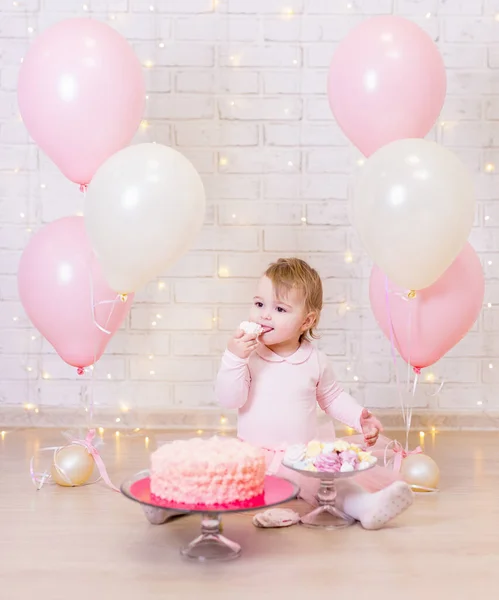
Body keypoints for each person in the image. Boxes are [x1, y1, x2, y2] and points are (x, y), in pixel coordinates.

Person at [215, 257, 413, 530]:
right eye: (259, 304)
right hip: (253, 456)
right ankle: (166, 507)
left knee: (333, 484)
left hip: (300, 458)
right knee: (214, 482)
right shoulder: (249, 357)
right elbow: (230, 399)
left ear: (307, 320)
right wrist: (233, 358)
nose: (264, 315)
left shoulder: (315, 360)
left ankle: (366, 506)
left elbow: (332, 397)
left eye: (280, 309)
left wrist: (359, 417)